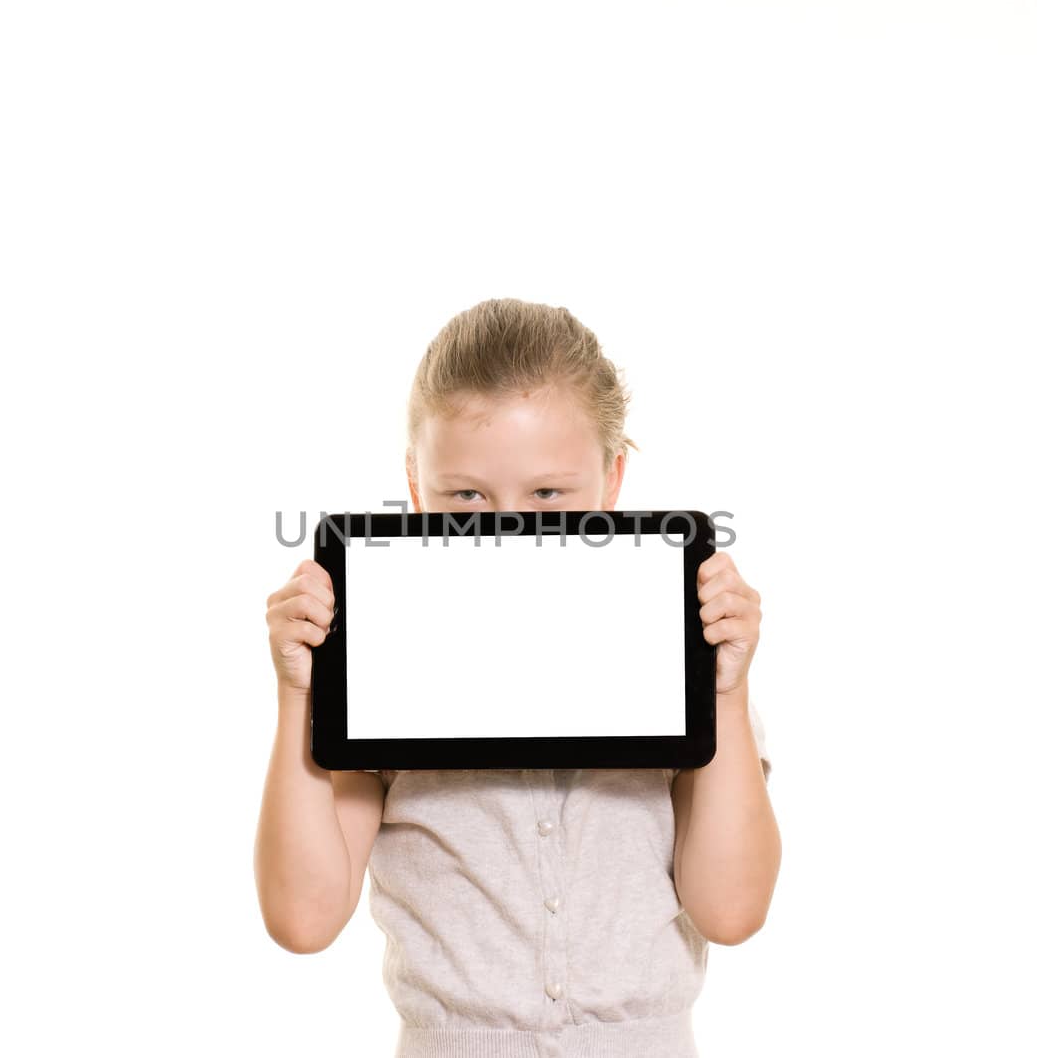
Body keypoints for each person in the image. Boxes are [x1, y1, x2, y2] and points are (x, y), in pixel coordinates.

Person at [256, 298, 781, 1057]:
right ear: (414, 484)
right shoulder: (378, 664)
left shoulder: (679, 654)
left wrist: (725, 691)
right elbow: (303, 918)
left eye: (548, 494)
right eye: (466, 496)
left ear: (610, 481)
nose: (506, 526)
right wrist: (299, 689)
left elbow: (731, 909)